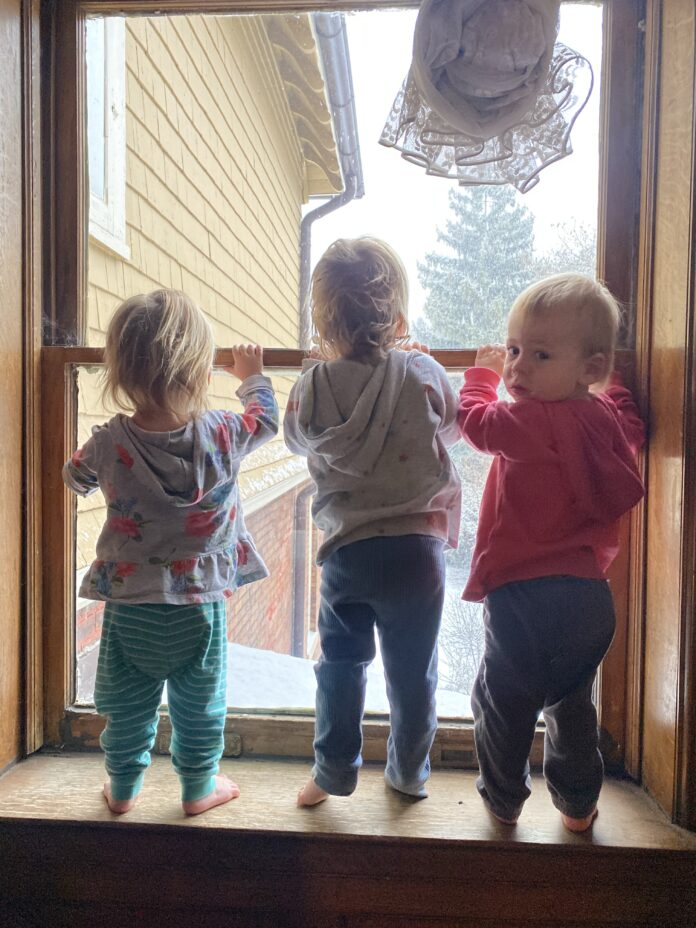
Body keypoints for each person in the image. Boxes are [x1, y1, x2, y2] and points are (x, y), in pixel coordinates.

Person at [63, 289, 279, 815]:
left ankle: (121, 787)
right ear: (201, 372)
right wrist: (252, 376)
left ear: (121, 372)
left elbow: (75, 477)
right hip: (198, 606)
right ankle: (197, 787)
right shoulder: (224, 433)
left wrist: (96, 474)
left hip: (130, 604)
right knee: (200, 704)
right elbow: (266, 421)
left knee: (128, 704)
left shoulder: (109, 441)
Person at [458, 273, 645, 833]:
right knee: (571, 705)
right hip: (588, 597)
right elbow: (630, 428)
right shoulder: (601, 418)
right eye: (513, 351)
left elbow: (476, 423)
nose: (517, 368)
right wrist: (616, 390)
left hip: (523, 599)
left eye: (539, 355)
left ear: (589, 367)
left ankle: (503, 798)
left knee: (504, 703)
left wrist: (481, 377)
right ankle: (579, 804)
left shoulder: (528, 418)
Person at [284, 236, 461, 807]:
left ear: (322, 321)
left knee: (340, 664)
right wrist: (418, 369)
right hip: (417, 554)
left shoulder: (312, 386)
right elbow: (453, 429)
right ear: (399, 316)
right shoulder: (424, 372)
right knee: (413, 673)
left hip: (347, 554)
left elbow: (294, 439)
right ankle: (408, 773)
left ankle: (332, 771)